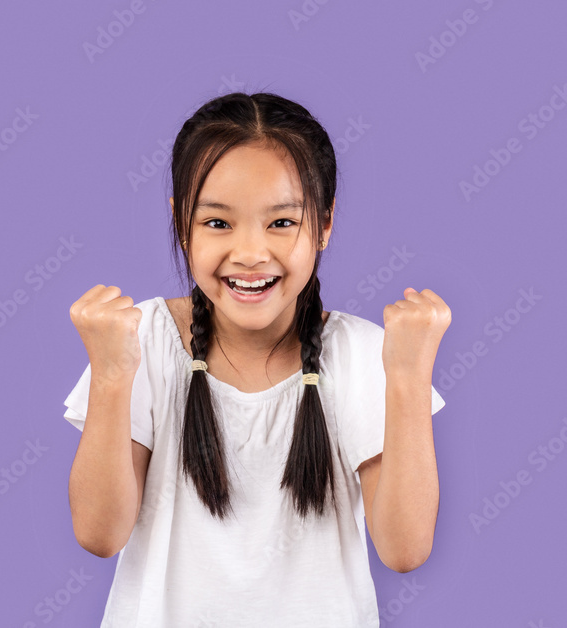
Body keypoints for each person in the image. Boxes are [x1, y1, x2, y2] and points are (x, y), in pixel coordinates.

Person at [63, 91, 452, 627]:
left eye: (282, 223)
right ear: (182, 224)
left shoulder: (363, 355)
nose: (250, 253)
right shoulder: (143, 340)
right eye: (218, 223)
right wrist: (110, 375)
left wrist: (407, 376)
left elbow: (404, 549)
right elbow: (99, 533)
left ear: (326, 222)